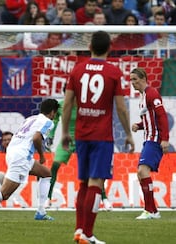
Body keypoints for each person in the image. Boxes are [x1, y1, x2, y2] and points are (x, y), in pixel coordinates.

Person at [62, 31, 135, 244]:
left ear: (90, 46)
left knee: (84, 183)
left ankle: (79, 230)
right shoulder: (113, 72)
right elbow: (121, 108)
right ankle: (88, 233)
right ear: (109, 48)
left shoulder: (77, 70)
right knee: (96, 182)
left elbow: (67, 104)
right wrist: (129, 134)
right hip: (102, 136)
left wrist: (65, 131)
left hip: (82, 134)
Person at [46, 87, 112, 211]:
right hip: (67, 140)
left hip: (84, 139)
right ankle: (47, 198)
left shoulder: (85, 106)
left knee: (93, 170)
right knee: (55, 165)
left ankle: (104, 199)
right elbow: (54, 121)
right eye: (67, 95)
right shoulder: (60, 105)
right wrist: (50, 136)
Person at [130, 68, 169, 220]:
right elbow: (150, 119)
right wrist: (139, 126)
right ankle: (152, 210)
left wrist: (165, 138)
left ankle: (151, 210)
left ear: (143, 78)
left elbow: (162, 116)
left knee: (142, 172)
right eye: (131, 80)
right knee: (141, 174)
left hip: (155, 139)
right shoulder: (143, 97)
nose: (133, 83)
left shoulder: (152, 93)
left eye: (135, 79)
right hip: (148, 138)